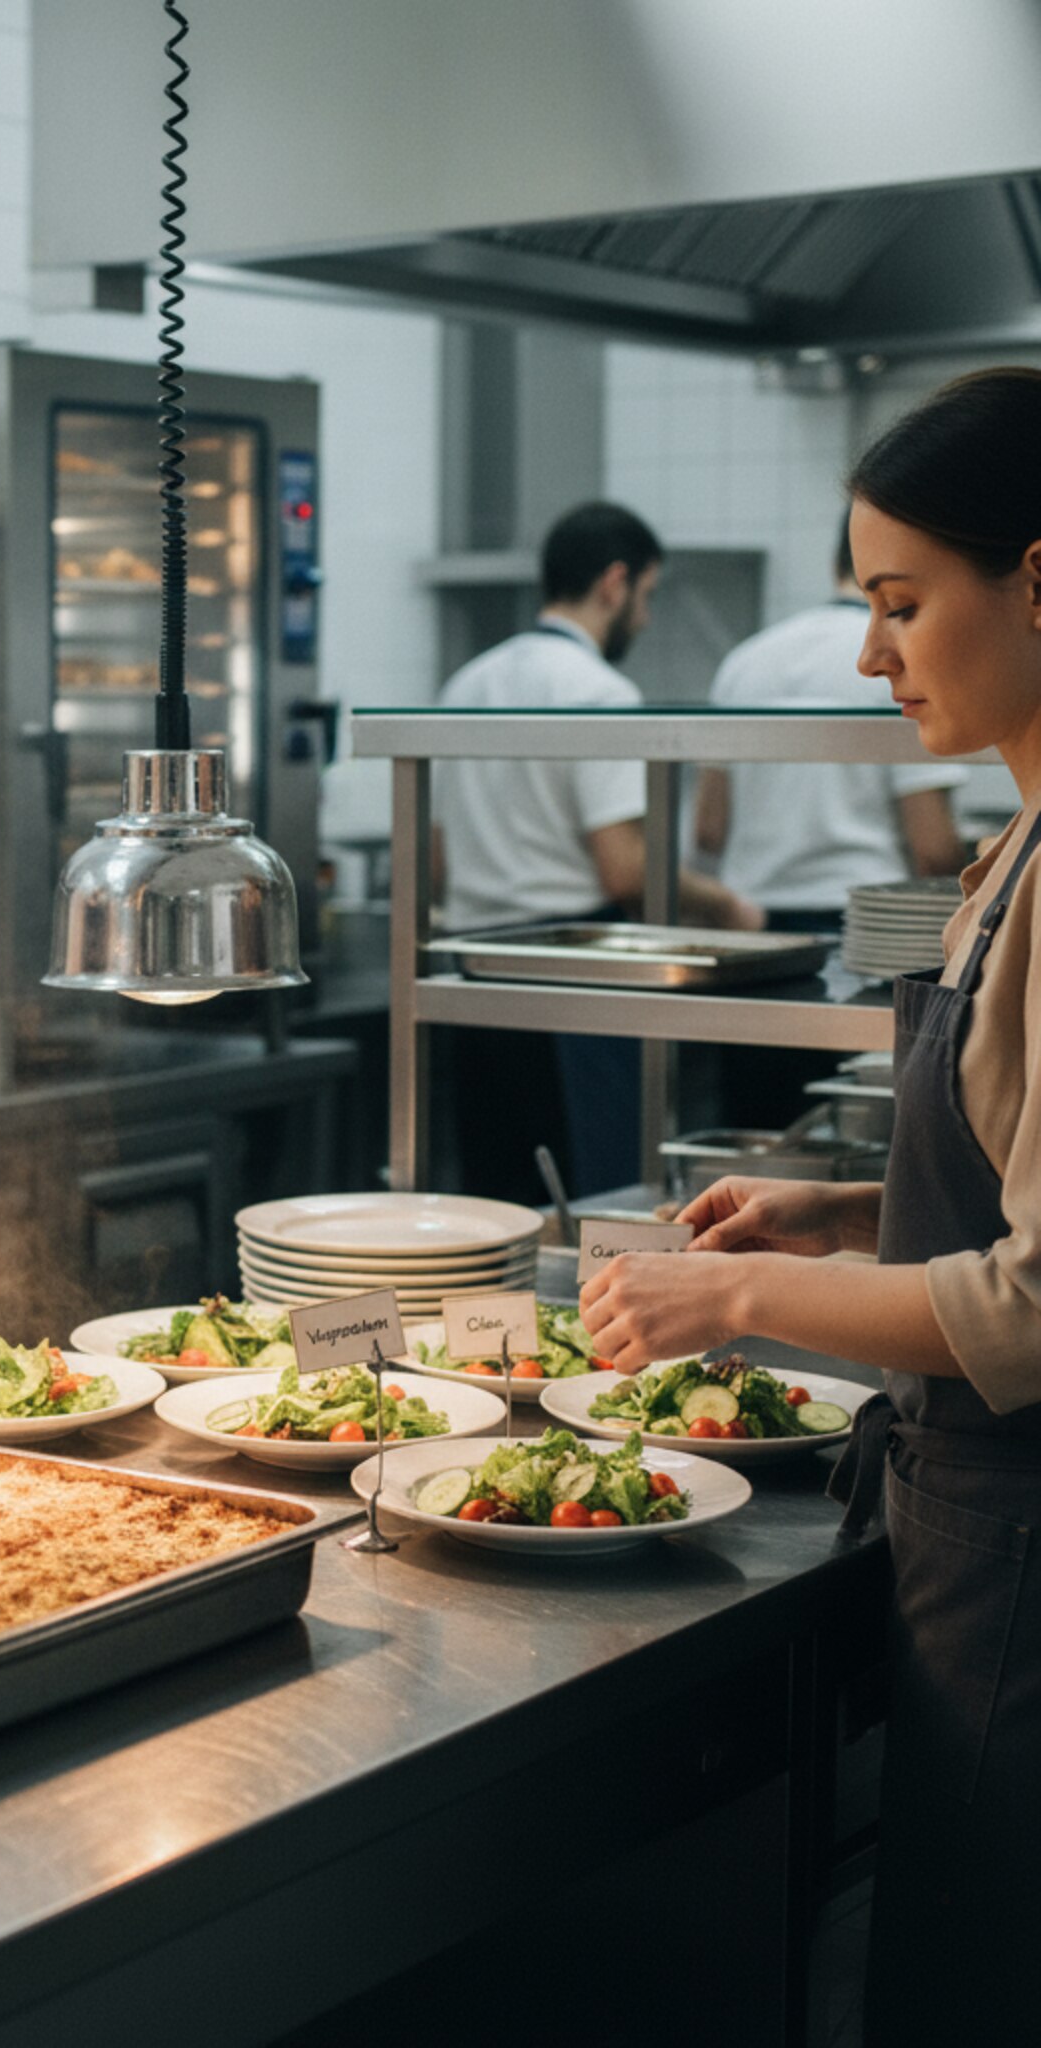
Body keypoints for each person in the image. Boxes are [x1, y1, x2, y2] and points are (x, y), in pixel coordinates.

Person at [579, 367, 1041, 2044]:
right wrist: (838, 1211)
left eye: (902, 604)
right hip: (960, 1514)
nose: (871, 654)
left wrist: (732, 1302)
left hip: (1013, 1535)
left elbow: (1030, 1308)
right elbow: (1001, 1166)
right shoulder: (1003, 850)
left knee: (973, 1985)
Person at [431, 502, 759, 1199]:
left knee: (498, 1207)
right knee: (593, 1205)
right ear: (615, 583)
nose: (643, 618)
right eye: (647, 596)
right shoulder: (601, 691)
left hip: (471, 977)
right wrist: (728, 904)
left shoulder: (468, 682)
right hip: (568, 980)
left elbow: (433, 859)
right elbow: (626, 868)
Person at [694, 513, 968, 1126]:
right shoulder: (903, 662)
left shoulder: (745, 662)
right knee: (860, 1140)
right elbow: (933, 849)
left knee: (760, 1143)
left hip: (756, 942)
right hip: (868, 938)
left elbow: (708, 829)